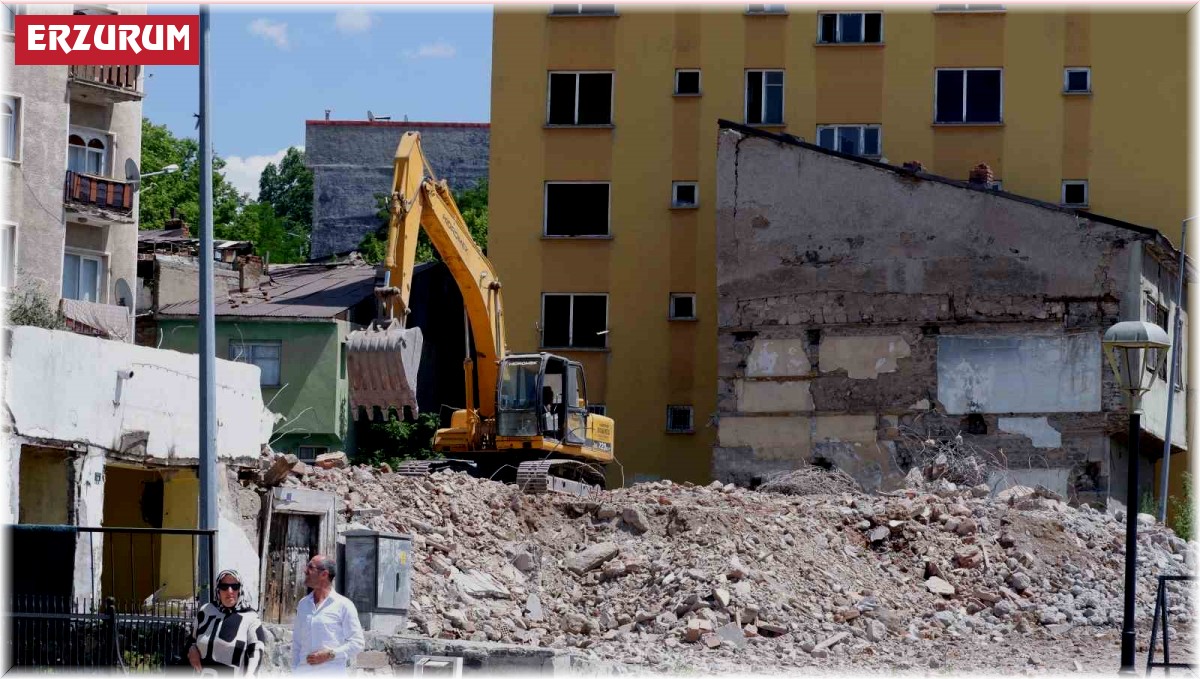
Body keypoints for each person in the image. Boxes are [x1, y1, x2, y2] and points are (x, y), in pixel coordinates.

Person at [291, 555, 364, 675]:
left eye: (310, 567)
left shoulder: (344, 605)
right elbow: (297, 643)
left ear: (324, 574)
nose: (305, 570)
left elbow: (357, 643)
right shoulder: (303, 604)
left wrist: (329, 654)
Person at [186, 569, 268, 676]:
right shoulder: (205, 611)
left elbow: (257, 650)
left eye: (234, 586)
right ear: (218, 590)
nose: (230, 591)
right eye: (224, 586)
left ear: (240, 589)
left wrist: (250, 675)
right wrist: (191, 649)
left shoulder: (250, 618)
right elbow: (192, 640)